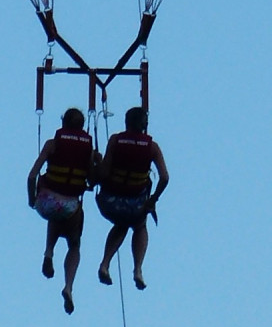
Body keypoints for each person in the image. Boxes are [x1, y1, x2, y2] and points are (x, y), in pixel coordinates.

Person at [27, 107, 99, 313]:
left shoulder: (52, 144)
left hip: (46, 204)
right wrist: (96, 162)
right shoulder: (88, 151)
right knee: (74, 244)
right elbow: (93, 181)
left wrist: (31, 200)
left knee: (54, 210)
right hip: (70, 205)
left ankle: (48, 252)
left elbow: (32, 176)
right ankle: (68, 286)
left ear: (63, 124)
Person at [95, 105, 169, 290]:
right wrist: (153, 199)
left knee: (121, 224)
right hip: (136, 206)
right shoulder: (152, 147)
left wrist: (96, 162)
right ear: (144, 125)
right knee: (139, 224)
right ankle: (137, 269)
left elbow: (103, 173)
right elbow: (164, 177)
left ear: (126, 123)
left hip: (110, 202)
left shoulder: (115, 141)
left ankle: (105, 263)